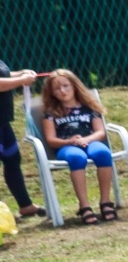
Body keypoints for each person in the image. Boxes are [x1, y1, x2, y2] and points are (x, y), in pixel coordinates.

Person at [39, 70, 117, 226]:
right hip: (67, 146)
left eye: (66, 86)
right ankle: (84, 206)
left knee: (103, 153)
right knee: (76, 157)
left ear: (74, 86)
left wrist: (86, 139)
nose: (63, 91)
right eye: (57, 88)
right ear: (52, 93)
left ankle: (106, 201)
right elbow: (51, 139)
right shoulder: (51, 113)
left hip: (90, 141)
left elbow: (100, 132)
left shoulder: (89, 108)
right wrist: (69, 142)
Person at [0, 62, 45, 219]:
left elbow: (3, 74)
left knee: (12, 159)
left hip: (2, 121)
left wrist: (20, 73)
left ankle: (25, 205)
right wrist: (21, 81)